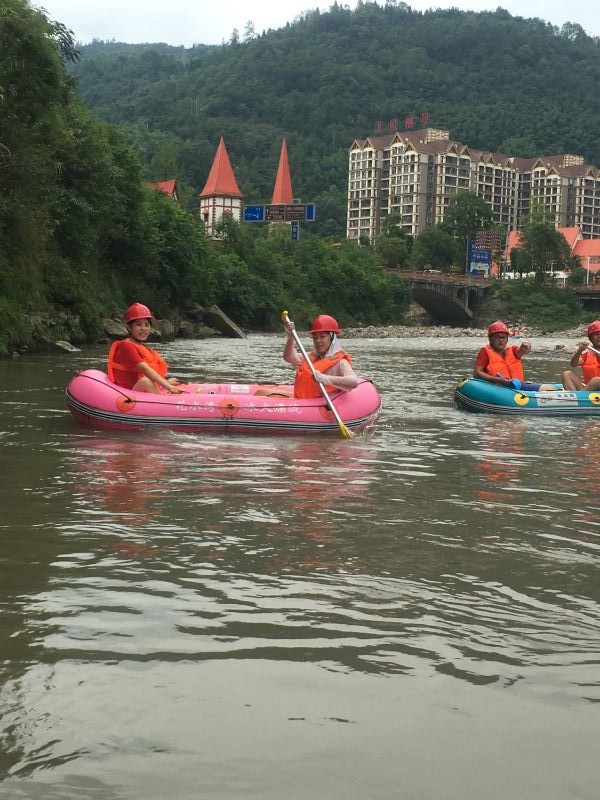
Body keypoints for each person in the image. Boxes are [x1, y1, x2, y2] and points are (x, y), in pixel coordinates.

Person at [256, 314, 358, 398]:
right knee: (260, 393)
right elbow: (289, 358)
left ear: (332, 338)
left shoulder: (340, 362)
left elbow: (353, 381)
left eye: (322, 337)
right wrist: (290, 338)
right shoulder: (312, 356)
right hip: (303, 399)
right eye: (315, 338)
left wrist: (325, 379)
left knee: (269, 397)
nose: (318, 341)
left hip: (319, 404)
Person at [107, 303, 182, 394]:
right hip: (127, 394)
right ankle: (163, 402)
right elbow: (145, 369)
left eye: (147, 325)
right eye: (138, 325)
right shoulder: (126, 346)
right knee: (146, 381)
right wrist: (168, 386)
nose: (144, 329)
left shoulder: (142, 347)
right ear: (129, 327)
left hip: (138, 390)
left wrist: (166, 382)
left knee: (146, 381)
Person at [474, 320, 532, 386]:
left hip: (517, 387)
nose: (501, 340)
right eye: (497, 337)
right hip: (496, 387)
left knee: (542, 388)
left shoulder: (513, 349)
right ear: (491, 339)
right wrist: (497, 380)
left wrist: (524, 347)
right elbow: (477, 373)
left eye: (503, 337)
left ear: (507, 339)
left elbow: (520, 351)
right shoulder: (484, 352)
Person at [562, 320, 600, 391]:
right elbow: (573, 364)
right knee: (567, 374)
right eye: (596, 334)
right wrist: (579, 351)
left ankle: (580, 396)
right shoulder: (587, 354)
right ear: (591, 338)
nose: (599, 336)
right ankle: (576, 397)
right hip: (589, 388)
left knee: (596, 380)